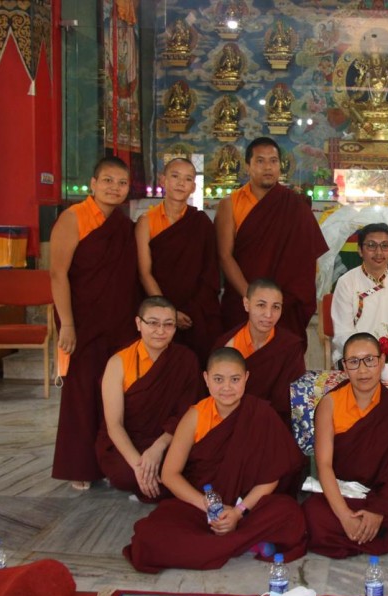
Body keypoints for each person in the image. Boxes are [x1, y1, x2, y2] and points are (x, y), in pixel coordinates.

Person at [123, 348, 308, 573]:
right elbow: (169, 474)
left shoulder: (260, 414)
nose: (227, 387)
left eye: (235, 379)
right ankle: (247, 543)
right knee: (149, 536)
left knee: (290, 514)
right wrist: (209, 507)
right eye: (218, 379)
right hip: (200, 508)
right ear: (206, 380)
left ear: (247, 378)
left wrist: (238, 512)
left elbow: (270, 478)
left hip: (248, 509)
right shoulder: (195, 416)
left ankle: (220, 544)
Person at [50, 156, 140, 490]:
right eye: (108, 180)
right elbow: (58, 273)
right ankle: (80, 466)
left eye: (121, 183)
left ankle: (112, 461)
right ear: (93, 183)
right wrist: (68, 324)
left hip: (119, 321)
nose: (114, 188)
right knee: (82, 391)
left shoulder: (122, 225)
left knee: (116, 391)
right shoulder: (73, 219)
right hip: (84, 322)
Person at [303, 332, 388, 558]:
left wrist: (377, 509)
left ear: (381, 362)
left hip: (384, 496)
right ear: (344, 366)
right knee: (312, 513)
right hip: (347, 493)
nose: (362, 370)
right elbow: (324, 465)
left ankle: (364, 536)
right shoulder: (330, 404)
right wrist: (343, 516)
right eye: (353, 362)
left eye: (369, 360)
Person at [215, 137, 328, 349]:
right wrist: (251, 297)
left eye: (273, 161)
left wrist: (273, 304)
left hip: (283, 306)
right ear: (247, 166)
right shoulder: (230, 204)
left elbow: (304, 260)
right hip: (243, 301)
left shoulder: (294, 204)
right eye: (260, 161)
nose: (268, 167)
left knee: (282, 364)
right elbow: (224, 255)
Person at [96, 297, 200, 502]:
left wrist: (158, 448)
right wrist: (138, 465)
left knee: (197, 467)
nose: (160, 331)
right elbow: (114, 425)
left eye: (168, 324)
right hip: (129, 441)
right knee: (126, 475)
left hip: (170, 439)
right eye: (153, 323)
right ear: (138, 323)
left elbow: (188, 413)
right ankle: (145, 479)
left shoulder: (186, 360)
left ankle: (154, 481)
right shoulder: (118, 362)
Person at [136, 158, 222, 366]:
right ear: (163, 180)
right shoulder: (146, 222)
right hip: (159, 310)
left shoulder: (201, 223)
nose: (180, 183)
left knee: (198, 367)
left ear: (193, 187)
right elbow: (144, 272)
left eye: (188, 179)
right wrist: (169, 312)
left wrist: (193, 309)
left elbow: (211, 271)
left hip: (196, 312)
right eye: (175, 176)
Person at [215, 278, 305, 426]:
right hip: (228, 420)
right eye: (261, 305)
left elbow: (287, 402)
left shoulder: (290, 347)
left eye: (276, 307)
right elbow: (217, 395)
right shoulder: (226, 345)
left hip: (271, 423)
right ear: (246, 304)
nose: (268, 314)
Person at [331, 223, 388, 369]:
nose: (379, 252)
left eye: (385, 246)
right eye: (371, 246)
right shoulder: (346, 282)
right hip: (356, 358)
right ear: (360, 250)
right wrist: (367, 358)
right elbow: (343, 332)